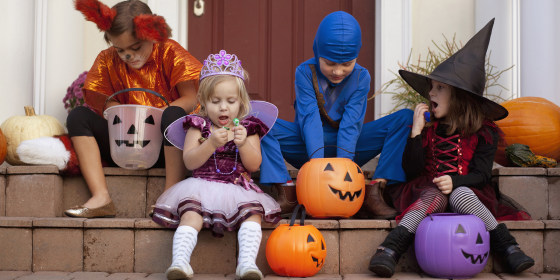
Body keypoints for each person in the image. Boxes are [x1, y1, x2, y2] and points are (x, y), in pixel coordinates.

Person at [368, 19, 534, 278]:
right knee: (435, 194)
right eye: (431, 88)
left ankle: (508, 247)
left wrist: (456, 182)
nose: (431, 93)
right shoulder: (429, 128)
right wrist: (415, 133)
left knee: (460, 194)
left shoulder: (484, 131)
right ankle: (389, 249)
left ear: (460, 97)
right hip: (427, 191)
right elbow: (411, 170)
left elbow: (482, 174)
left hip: (468, 191)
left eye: (440, 88)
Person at [259, 11, 413, 217]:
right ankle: (286, 192)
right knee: (260, 120)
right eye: (330, 63)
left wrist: (344, 171)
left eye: (346, 64)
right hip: (306, 146)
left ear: (356, 57)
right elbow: (309, 118)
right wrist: (317, 168)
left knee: (404, 119)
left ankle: (375, 192)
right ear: (318, 52)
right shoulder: (305, 72)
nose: (338, 71)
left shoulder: (361, 76)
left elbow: (352, 124)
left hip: (351, 149)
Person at [64, 0, 202, 218]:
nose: (129, 56)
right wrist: (118, 109)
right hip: (126, 144)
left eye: (136, 48)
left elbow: (191, 98)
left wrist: (157, 117)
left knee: (173, 114)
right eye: (121, 50)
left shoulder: (169, 52)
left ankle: (170, 194)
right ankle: (101, 197)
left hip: (166, 147)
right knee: (78, 116)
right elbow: (106, 102)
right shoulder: (107, 60)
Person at [151, 50, 281, 280]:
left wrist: (243, 145)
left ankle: (247, 264)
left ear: (241, 103)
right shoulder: (198, 126)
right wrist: (209, 143)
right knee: (191, 215)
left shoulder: (247, 128)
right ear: (202, 101)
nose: (223, 108)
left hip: (237, 188)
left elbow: (254, 164)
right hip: (201, 185)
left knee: (252, 215)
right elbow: (189, 160)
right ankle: (180, 262)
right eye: (215, 101)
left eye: (230, 101)